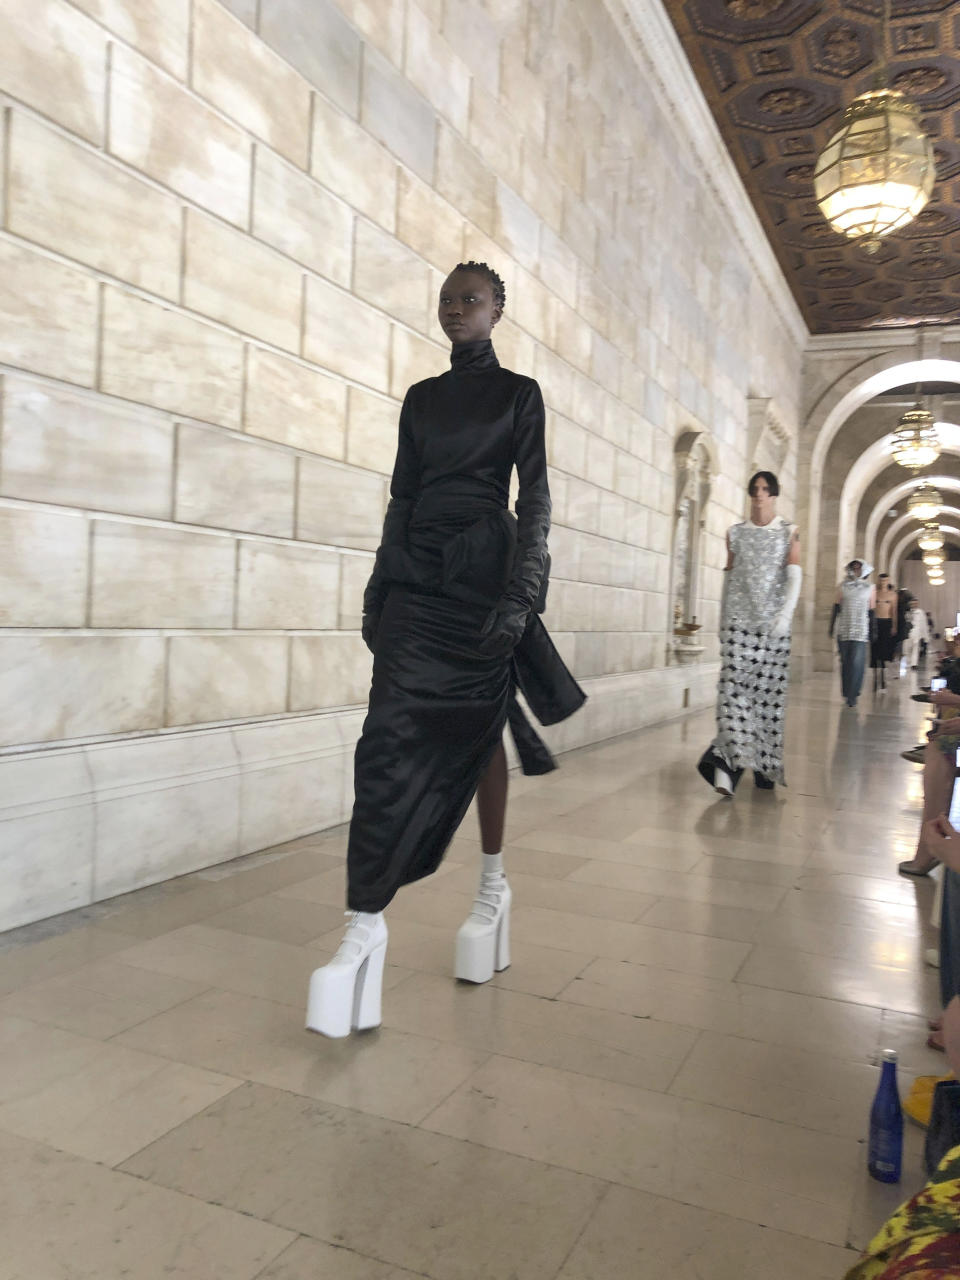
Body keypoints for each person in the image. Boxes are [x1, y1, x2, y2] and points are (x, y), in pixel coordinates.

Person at [305, 261, 584, 1038]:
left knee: (482, 726)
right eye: (449, 298)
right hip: (416, 577)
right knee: (383, 739)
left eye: (473, 299)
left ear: (499, 311)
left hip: (485, 576)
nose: (458, 308)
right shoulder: (421, 399)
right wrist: (376, 586)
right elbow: (401, 494)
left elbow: (536, 496)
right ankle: (365, 921)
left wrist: (524, 593)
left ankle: (492, 885)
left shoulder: (518, 393)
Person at [697, 471, 802, 796]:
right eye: (755, 489)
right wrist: (722, 617)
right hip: (738, 626)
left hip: (772, 631)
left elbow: (795, 576)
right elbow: (729, 577)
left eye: (765, 489)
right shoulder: (735, 533)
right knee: (731, 696)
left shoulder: (788, 532)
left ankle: (762, 768)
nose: (759, 494)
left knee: (766, 700)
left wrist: (785, 615)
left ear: (773, 494)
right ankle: (726, 768)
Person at [830, 559, 875, 708]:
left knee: (857, 663)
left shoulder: (870, 588)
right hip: (844, 629)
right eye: (853, 568)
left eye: (858, 568)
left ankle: (854, 693)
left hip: (861, 630)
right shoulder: (843, 586)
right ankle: (846, 691)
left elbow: (871, 611)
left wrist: (873, 630)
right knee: (845, 663)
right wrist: (831, 626)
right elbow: (836, 607)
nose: (856, 571)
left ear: (864, 570)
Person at [872, 572, 898, 689]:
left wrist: (894, 626)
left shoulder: (892, 595)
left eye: (885, 580)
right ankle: (874, 677)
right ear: (879, 581)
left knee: (883, 650)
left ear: (888, 581)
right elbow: (871, 609)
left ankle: (882, 678)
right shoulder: (874, 593)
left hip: (886, 622)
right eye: (881, 581)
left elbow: (894, 612)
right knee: (874, 650)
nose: (883, 583)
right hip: (875, 622)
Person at [905, 598, 930, 671]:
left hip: (917, 633)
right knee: (908, 649)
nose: (914, 605)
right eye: (912, 603)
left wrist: (926, 636)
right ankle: (909, 663)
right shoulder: (907, 612)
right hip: (908, 633)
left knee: (916, 649)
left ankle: (914, 664)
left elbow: (924, 624)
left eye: (915, 603)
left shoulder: (920, 612)